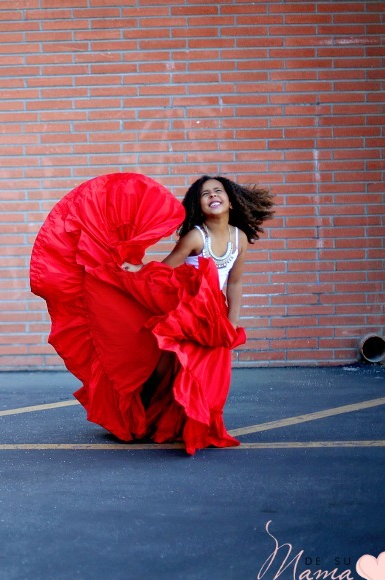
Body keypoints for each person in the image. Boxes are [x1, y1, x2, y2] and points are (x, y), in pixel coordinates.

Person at [30, 173, 275, 455]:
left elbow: (234, 282)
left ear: (232, 201)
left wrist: (231, 323)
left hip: (213, 315)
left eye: (218, 191)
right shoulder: (196, 236)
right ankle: (144, 415)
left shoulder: (239, 238)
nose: (212, 196)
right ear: (199, 206)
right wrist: (138, 272)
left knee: (212, 376)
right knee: (172, 367)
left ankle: (196, 424)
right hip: (186, 309)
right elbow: (167, 268)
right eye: (205, 194)